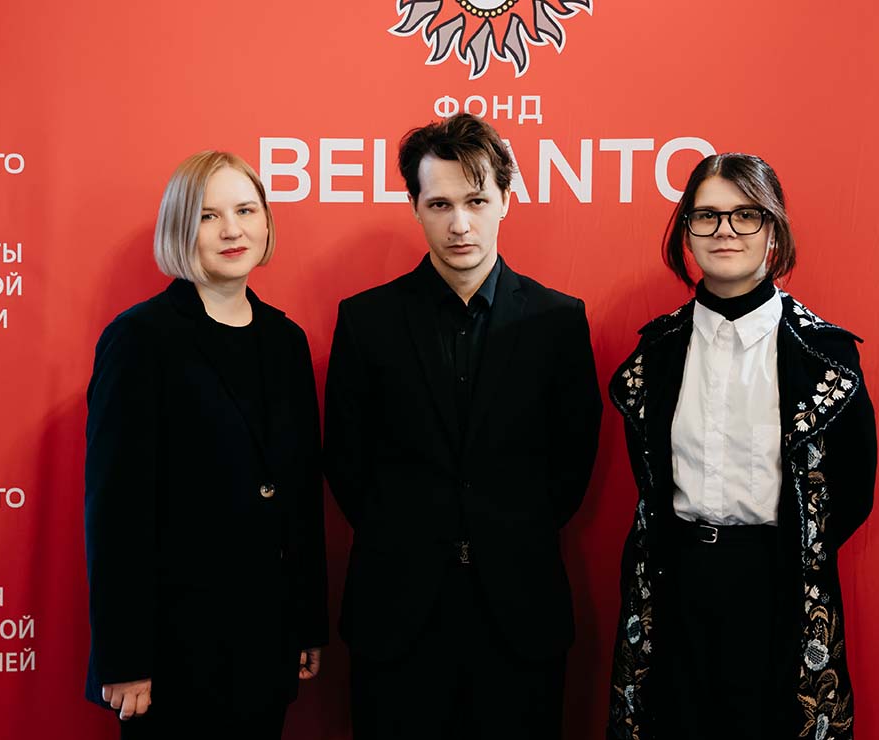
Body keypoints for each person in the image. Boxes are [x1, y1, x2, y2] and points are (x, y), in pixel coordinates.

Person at [324, 113, 602, 740]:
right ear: (415, 208)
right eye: (440, 204)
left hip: (520, 611)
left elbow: (571, 464)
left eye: (476, 201)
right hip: (397, 612)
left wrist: (504, 529)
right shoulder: (366, 321)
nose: (459, 224)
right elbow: (346, 460)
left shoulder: (559, 321)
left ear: (505, 200)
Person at [606, 153, 877, 740]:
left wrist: (786, 555)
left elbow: (854, 490)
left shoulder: (825, 357)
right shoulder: (656, 353)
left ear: (773, 230)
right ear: (686, 232)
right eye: (707, 215)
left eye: (745, 214)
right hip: (674, 584)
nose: (725, 230)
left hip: (779, 586)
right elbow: (648, 478)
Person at [83, 151, 328, 739]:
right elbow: (116, 511)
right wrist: (124, 657)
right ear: (179, 228)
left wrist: (307, 620)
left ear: (265, 220)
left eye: (245, 210)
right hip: (172, 653)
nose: (231, 230)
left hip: (266, 643)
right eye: (208, 216)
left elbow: (300, 496)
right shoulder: (139, 339)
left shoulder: (287, 341)